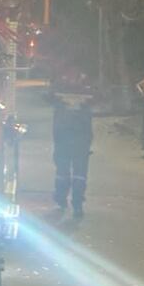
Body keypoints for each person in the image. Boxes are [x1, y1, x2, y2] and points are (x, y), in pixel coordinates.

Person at [50, 61, 95, 219]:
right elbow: (49, 97)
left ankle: (74, 201)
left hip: (76, 132)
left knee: (77, 171)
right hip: (68, 132)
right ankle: (64, 199)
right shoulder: (64, 82)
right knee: (66, 170)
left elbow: (98, 97)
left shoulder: (83, 83)